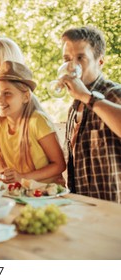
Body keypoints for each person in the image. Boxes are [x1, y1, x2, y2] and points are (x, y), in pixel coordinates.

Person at [59, 26, 121, 203]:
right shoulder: (74, 106)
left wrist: (87, 97)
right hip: (84, 207)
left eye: (80, 58)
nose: (72, 65)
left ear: (100, 61)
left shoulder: (114, 94)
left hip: (114, 210)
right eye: (67, 59)